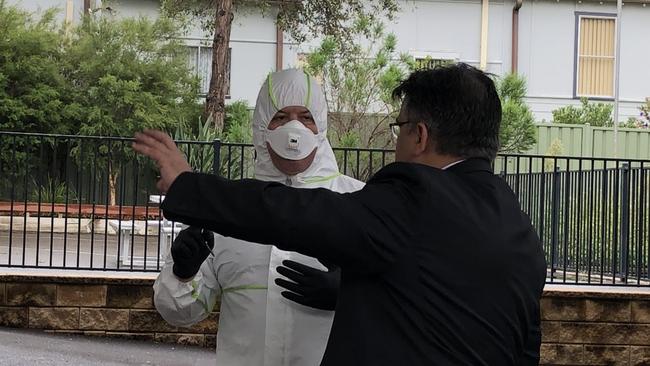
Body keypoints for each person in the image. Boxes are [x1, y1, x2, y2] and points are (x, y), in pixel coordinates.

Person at [134, 63, 547, 366]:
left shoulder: (405, 199)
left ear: (419, 136)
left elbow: (295, 214)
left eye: (399, 128)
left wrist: (188, 185)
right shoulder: (519, 230)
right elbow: (522, 347)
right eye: (280, 116)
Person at [152, 69, 364, 365]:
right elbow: (181, 313)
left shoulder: (359, 203)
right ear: (261, 126)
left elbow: (409, 306)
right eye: (280, 117)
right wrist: (183, 273)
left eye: (306, 117)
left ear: (322, 126)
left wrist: (355, 295)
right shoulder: (225, 212)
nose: (294, 128)